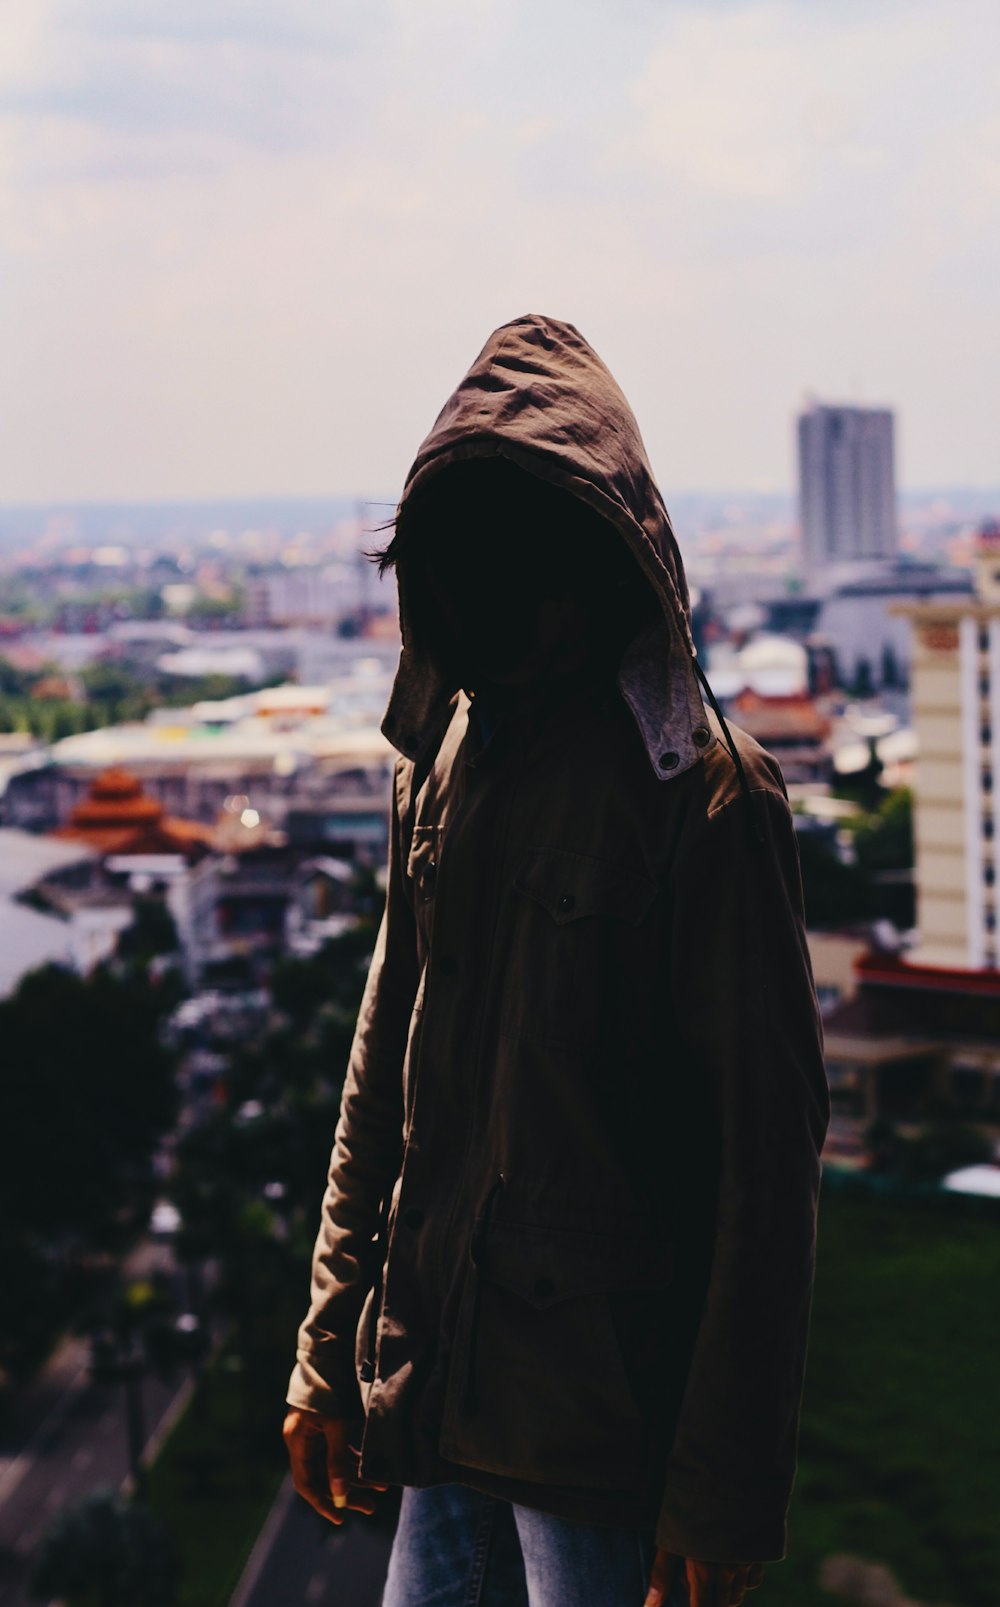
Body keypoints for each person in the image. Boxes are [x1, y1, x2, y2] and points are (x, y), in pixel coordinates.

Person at [283, 314, 831, 1607]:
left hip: (601, 1431)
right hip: (432, 1395)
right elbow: (382, 1085)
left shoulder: (700, 799)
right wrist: (327, 1357)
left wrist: (723, 1489)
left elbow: (765, 1167)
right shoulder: (445, 771)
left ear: (594, 551)